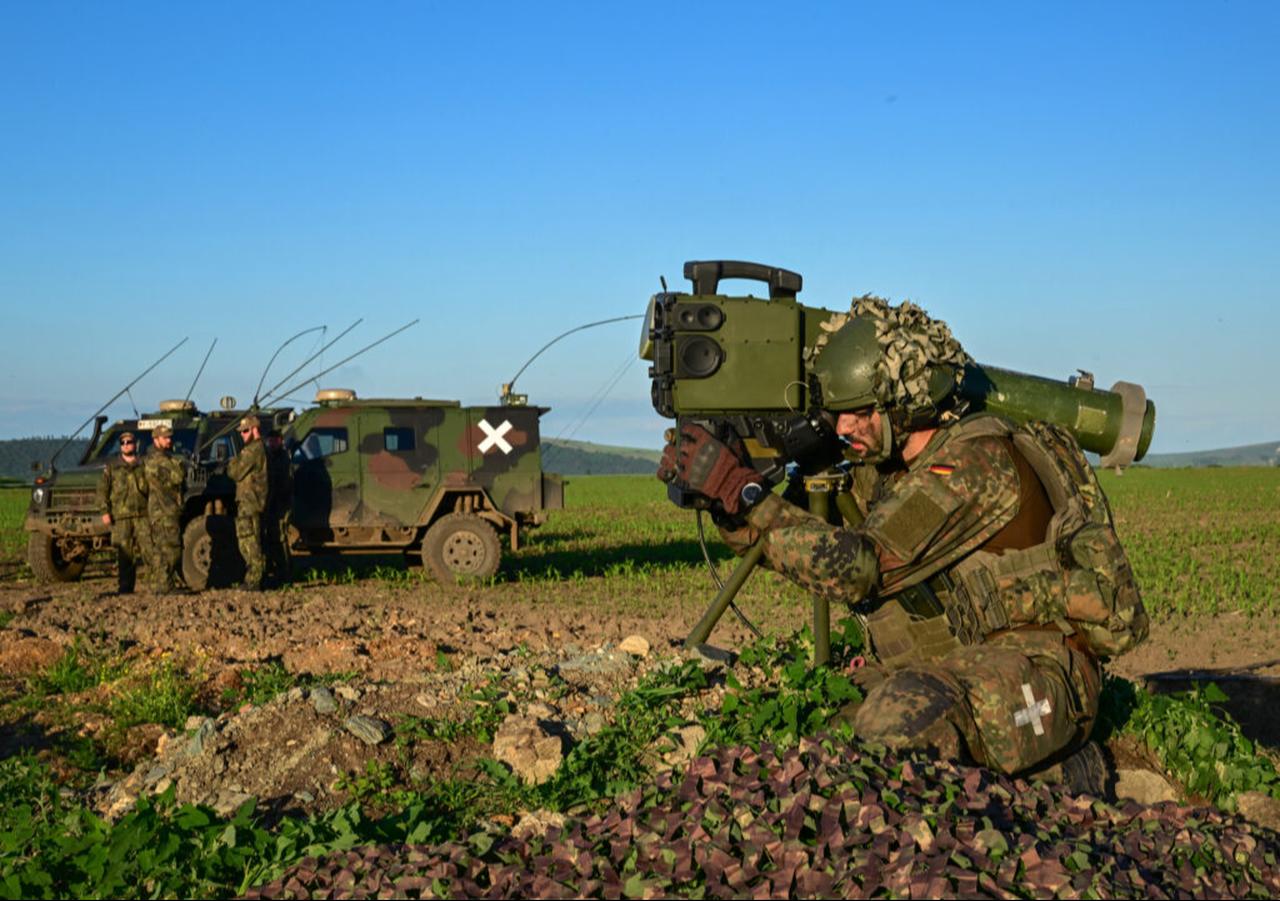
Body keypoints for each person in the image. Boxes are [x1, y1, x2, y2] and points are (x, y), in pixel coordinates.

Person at [658, 296, 1148, 788]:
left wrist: (743, 495)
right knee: (816, 735)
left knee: (892, 727)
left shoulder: (972, 466)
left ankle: (1064, 774)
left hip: (1035, 671)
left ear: (905, 405)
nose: (843, 428)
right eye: (837, 414)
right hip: (945, 666)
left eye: (858, 413)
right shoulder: (890, 467)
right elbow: (802, 539)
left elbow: (858, 568)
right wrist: (727, 502)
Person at [95, 431, 150, 595]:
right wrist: (105, 511)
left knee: (149, 550)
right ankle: (125, 588)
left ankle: (156, 585)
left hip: (143, 514)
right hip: (121, 517)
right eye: (123, 443)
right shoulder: (112, 468)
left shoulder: (144, 464)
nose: (126, 445)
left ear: (135, 444)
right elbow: (102, 491)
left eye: (129, 442)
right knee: (125, 554)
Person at [227, 413, 269, 591]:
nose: (242, 435)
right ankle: (254, 577)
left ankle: (254, 578)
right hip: (251, 501)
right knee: (249, 538)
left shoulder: (252, 450)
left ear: (254, 429)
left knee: (249, 540)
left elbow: (234, 472)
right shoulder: (258, 448)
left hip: (250, 501)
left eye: (245, 431)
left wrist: (233, 462)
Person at [143, 423, 186, 593]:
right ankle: (164, 584)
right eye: (165, 438)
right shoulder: (159, 460)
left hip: (162, 509)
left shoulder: (159, 458)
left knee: (161, 547)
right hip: (164, 509)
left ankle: (160, 584)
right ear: (156, 439)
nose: (169, 440)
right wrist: (179, 463)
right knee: (170, 547)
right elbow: (178, 477)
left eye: (170, 437)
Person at [263, 429, 293, 587]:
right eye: (270, 440)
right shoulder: (270, 456)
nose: (272, 443)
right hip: (272, 504)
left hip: (280, 505)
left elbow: (284, 483)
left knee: (280, 540)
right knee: (272, 539)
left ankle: (284, 575)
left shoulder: (282, 458)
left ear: (281, 441)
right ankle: (277, 572)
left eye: (275, 440)